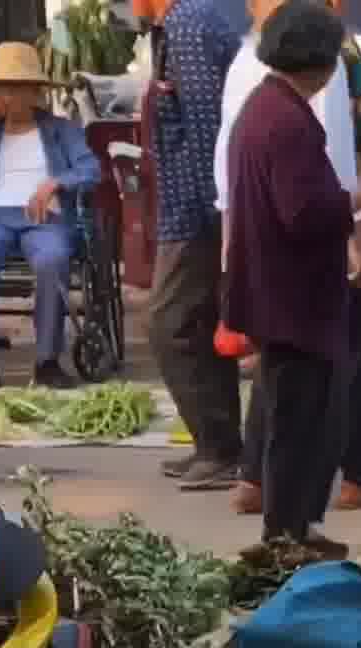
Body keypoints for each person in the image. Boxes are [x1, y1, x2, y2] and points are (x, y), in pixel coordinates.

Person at [219, 0, 361, 512]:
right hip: (303, 280)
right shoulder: (292, 114)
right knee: (307, 404)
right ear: (323, 64)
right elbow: (310, 203)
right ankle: (301, 518)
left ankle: (270, 497)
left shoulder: (256, 83)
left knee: (288, 393)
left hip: (274, 273)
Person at [223, 0, 361, 557]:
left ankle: (295, 527)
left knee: (298, 415)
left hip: (279, 291)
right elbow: (302, 211)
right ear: (320, 64)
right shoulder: (284, 120)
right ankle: (285, 535)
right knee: (298, 419)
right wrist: (357, 200)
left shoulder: (270, 107)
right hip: (293, 295)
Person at [0, 45, 104, 394]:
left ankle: (47, 361)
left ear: (36, 92)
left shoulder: (61, 130)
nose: (10, 95)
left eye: (19, 87)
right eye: (2, 87)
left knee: (52, 259)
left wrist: (56, 183)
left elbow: (91, 170)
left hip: (45, 218)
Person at [149, 0, 249, 488]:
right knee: (198, 325)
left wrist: (211, 211)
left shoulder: (189, 22)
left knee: (171, 325)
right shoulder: (187, 20)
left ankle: (221, 449)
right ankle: (218, 445)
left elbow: (211, 127)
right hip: (195, 204)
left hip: (196, 208)